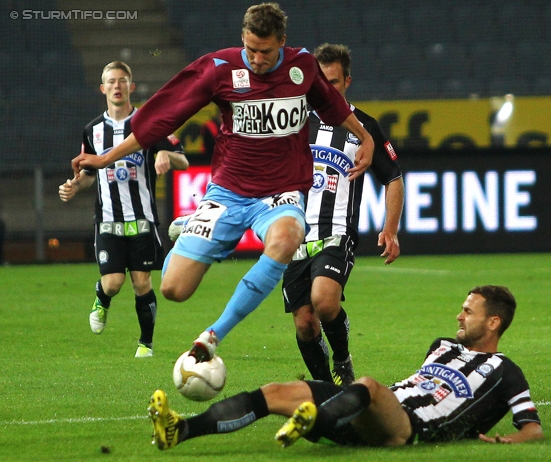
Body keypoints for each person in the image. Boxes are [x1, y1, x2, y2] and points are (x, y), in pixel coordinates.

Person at [70, 3, 374, 362]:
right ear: (242, 38)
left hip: (281, 191)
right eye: (251, 49)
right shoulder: (219, 68)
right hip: (228, 192)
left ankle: (213, 335)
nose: (257, 59)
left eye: (266, 51)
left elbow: (332, 105)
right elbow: (161, 117)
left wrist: (363, 135)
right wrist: (106, 157)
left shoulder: (302, 66)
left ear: (282, 42)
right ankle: (191, 229)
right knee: (173, 289)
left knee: (288, 239)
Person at [146, 285, 543, 450]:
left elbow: (532, 426)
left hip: (410, 429)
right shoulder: (440, 347)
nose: (459, 316)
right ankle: (180, 430)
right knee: (276, 392)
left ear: (493, 323)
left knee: (368, 384)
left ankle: (316, 420)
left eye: (469, 312)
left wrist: (509, 442)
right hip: (369, 410)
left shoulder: (504, 370)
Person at [282, 43, 404, 386]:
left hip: (338, 231)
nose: (323, 88)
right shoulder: (294, 123)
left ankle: (343, 357)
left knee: (323, 301)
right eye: (318, 80)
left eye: (332, 82)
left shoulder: (364, 126)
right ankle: (325, 389)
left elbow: (392, 177)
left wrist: (390, 229)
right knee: (305, 323)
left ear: (347, 81)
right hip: (294, 237)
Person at [59, 61, 188, 358]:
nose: (117, 86)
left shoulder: (149, 124)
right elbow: (88, 173)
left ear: (131, 87)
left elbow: (183, 160)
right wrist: (75, 186)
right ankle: (102, 298)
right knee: (114, 283)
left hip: (141, 218)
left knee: (142, 282)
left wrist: (166, 154)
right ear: (103, 89)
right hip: (107, 220)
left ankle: (146, 344)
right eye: (111, 82)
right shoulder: (92, 130)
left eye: (122, 81)